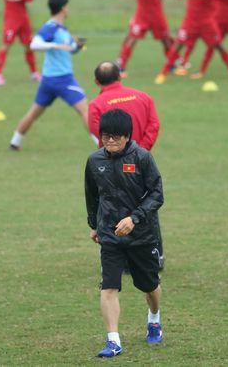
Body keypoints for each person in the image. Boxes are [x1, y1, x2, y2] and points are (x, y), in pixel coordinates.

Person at [85, 109, 165, 358]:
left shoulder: (142, 158)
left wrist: (134, 218)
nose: (110, 142)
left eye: (116, 137)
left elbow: (157, 194)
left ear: (127, 136)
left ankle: (154, 319)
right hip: (110, 236)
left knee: (149, 285)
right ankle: (113, 341)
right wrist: (94, 225)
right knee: (108, 287)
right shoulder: (94, 161)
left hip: (142, 235)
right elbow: (92, 196)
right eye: (106, 136)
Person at [88, 61, 166, 270]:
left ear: (96, 81)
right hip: (141, 159)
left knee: (114, 204)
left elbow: (99, 133)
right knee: (147, 203)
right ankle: (156, 254)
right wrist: (142, 151)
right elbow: (154, 124)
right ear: (120, 76)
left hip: (113, 165)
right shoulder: (144, 97)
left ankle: (120, 258)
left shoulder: (96, 104)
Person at [9, 0, 95, 151]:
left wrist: (77, 46)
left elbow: (68, 49)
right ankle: (103, 146)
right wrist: (55, 46)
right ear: (63, 8)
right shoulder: (51, 26)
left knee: (34, 113)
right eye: (67, 6)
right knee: (86, 110)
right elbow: (34, 44)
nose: (68, 9)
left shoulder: (62, 29)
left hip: (48, 81)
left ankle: (14, 143)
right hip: (63, 80)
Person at [102, 0, 175, 77]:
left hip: (156, 15)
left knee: (166, 40)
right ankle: (121, 66)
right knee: (131, 38)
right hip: (141, 15)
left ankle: (173, 63)